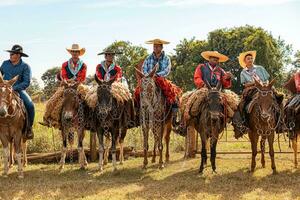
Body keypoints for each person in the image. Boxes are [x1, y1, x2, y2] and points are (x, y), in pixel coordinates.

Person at [134, 39, 182, 126]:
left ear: (161, 47)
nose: (155, 48)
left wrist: (156, 75)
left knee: (173, 93)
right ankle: (137, 115)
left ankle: (174, 117)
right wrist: (147, 76)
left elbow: (167, 70)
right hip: (148, 79)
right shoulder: (148, 58)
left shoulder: (166, 58)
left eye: (157, 46)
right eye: (154, 46)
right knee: (137, 92)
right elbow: (144, 68)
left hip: (160, 78)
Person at [40, 44, 87, 127]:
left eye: (76, 52)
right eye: (73, 51)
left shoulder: (83, 65)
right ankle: (49, 119)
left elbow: (82, 77)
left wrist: (76, 82)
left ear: (79, 53)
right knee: (53, 100)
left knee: (89, 99)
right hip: (66, 84)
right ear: (71, 53)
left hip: (79, 85)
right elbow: (64, 75)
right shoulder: (65, 64)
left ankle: (90, 120)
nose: (75, 53)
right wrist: (66, 82)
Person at [0, 44, 35, 139]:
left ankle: (29, 129)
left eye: (13, 54)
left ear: (19, 55)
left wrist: (13, 88)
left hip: (19, 90)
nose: (10, 55)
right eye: (10, 53)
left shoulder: (25, 66)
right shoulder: (4, 64)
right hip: (3, 90)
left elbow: (26, 82)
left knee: (30, 105)